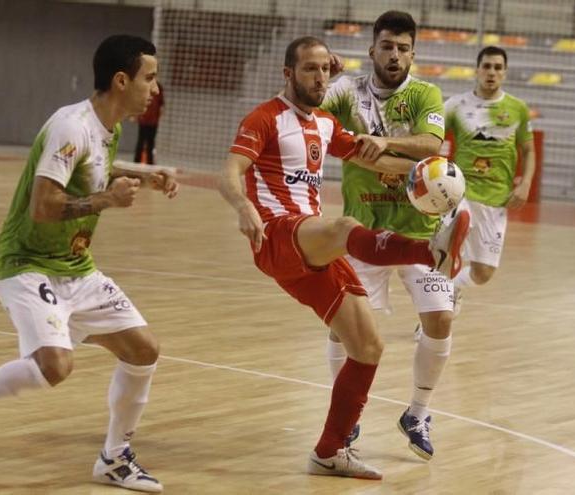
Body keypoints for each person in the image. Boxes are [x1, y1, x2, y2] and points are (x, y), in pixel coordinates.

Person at [0, 34, 178, 493]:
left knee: (144, 350)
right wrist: (109, 200)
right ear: (122, 80)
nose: (155, 89)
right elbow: (43, 206)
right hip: (27, 264)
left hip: (75, 267)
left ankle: (115, 459)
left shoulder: (108, 125)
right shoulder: (71, 125)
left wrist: (142, 176)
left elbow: (96, 167)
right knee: (55, 367)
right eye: (150, 78)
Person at [218, 35, 469, 480]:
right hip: (276, 235)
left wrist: (426, 177)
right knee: (345, 228)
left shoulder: (327, 125)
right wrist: (244, 209)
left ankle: (330, 450)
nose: (318, 78)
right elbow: (230, 173)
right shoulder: (265, 118)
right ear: (288, 74)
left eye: (323, 69)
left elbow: (376, 162)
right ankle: (429, 253)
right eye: (309, 69)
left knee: (368, 347)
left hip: (307, 252)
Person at [320, 10, 452, 461]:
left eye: (403, 48)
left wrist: (381, 146)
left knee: (440, 320)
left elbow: (432, 146)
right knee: (344, 331)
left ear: (413, 53)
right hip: (363, 233)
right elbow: (304, 111)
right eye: (387, 46)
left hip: (419, 230)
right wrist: (323, 77)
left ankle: (417, 412)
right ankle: (349, 415)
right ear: (371, 49)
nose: (394, 55)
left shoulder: (423, 93)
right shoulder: (346, 92)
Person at [443, 45, 535, 310]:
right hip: (460, 194)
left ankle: (454, 289)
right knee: (445, 255)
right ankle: (434, 318)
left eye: (497, 67)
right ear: (476, 70)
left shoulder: (517, 108)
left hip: (496, 200)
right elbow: (431, 134)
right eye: (486, 66)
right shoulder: (456, 105)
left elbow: (529, 150)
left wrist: (525, 183)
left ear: (505, 73)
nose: (491, 72)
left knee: (483, 273)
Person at [134, 82, 163, 164]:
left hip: (153, 121)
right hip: (143, 120)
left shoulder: (159, 87)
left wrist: (159, 117)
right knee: (141, 141)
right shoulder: (145, 85)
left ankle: (150, 163)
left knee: (151, 143)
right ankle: (136, 161)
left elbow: (161, 104)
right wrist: (136, 115)